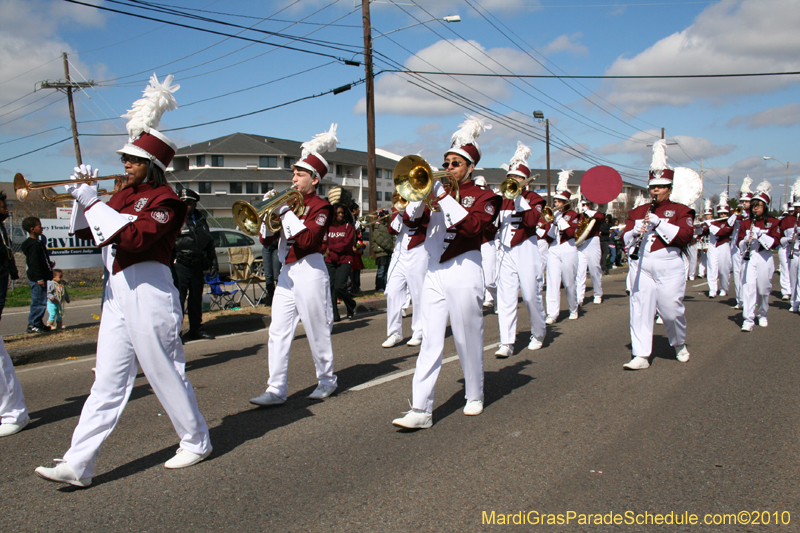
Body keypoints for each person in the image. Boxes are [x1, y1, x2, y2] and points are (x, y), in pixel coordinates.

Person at [35, 74, 212, 488]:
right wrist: (84, 200)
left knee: (164, 370)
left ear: (151, 165)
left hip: (149, 287)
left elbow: (133, 238)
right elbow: (86, 231)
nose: (124, 165)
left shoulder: (168, 201)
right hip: (116, 291)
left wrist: (93, 202)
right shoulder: (120, 197)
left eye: (131, 160)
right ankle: (79, 464)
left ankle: (196, 438)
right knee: (107, 382)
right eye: (124, 159)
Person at [392, 116, 501, 429]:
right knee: (429, 341)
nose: (449, 167)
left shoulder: (485, 196)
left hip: (464, 269)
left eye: (455, 163)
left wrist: (442, 197)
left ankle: (475, 393)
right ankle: (420, 409)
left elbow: (473, 227)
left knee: (468, 337)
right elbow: (411, 225)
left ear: (469, 167)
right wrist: (418, 198)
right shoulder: (435, 193)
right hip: (434, 271)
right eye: (446, 162)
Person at [249, 124, 338, 406]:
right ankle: (276, 388)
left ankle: (327, 380)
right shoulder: (288, 203)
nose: (293, 179)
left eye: (299, 174)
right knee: (278, 330)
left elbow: (308, 239)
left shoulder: (321, 206)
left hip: (310, 269)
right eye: (293, 174)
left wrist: (285, 211)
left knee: (316, 328)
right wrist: (267, 215)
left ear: (314, 179)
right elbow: (265, 239)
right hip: (287, 271)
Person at [622, 140, 694, 370]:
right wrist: (634, 231)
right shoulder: (638, 211)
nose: (656, 190)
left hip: (669, 264)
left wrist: (660, 223)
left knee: (671, 309)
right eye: (653, 186)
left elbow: (685, 236)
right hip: (641, 264)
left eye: (661, 186)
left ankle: (679, 343)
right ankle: (640, 354)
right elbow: (624, 240)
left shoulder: (682, 210)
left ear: (669, 188)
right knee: (640, 308)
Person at [493, 142, 546, 358]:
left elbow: (533, 219)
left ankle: (539, 332)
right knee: (505, 297)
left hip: (526, 249)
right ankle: (507, 341)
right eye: (510, 178)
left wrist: (519, 199)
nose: (513, 182)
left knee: (531, 296)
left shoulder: (534, 199)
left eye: (517, 179)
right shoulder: (501, 200)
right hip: (505, 252)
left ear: (525, 181)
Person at [384, 196, 429, 348]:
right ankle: (394, 333)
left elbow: (420, 222)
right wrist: (400, 212)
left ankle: (419, 331)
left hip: (419, 250)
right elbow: (392, 230)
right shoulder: (400, 205)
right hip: (399, 252)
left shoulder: (428, 204)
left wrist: (411, 209)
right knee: (392, 292)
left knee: (418, 294)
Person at [737, 180, 782, 331]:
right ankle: (748, 319)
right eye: (754, 205)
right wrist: (745, 239)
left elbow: (775, 242)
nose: (755, 208)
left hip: (765, 257)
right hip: (750, 257)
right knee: (748, 288)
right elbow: (739, 243)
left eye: (759, 205)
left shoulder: (773, 222)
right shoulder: (745, 223)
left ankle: (762, 314)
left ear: (765, 207)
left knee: (763, 289)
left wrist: (760, 235)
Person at [174, 188, 217, 341]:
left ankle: (196, 329)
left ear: (195, 204)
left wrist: (213, 263)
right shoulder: (175, 219)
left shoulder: (201, 220)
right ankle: (176, 332)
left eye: (189, 203)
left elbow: (209, 243)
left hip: (198, 264)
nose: (186, 206)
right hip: (181, 263)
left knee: (195, 299)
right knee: (178, 299)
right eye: (183, 203)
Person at [543, 170, 579, 324]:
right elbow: (548, 236)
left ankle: (573, 308)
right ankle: (552, 313)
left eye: (559, 201)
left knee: (569, 282)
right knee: (552, 281)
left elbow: (570, 233)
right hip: (554, 249)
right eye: (555, 200)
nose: (556, 203)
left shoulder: (574, 215)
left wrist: (560, 219)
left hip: (568, 248)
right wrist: (545, 225)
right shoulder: (553, 215)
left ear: (565, 203)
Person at [324, 202, 357, 322]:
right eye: (338, 213)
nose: (341, 215)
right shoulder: (328, 227)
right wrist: (328, 249)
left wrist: (331, 248)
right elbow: (325, 242)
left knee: (340, 287)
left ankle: (351, 305)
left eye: (342, 212)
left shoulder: (348, 227)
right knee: (331, 288)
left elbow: (346, 244)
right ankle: (334, 314)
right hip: (330, 260)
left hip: (345, 259)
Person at [21, 216, 53, 333]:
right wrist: (39, 278)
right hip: (37, 279)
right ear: (32, 229)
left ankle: (38, 323)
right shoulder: (33, 245)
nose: (42, 228)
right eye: (39, 227)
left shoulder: (38, 243)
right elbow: (34, 263)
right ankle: (33, 324)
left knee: (41, 301)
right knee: (39, 301)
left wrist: (49, 266)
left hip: (42, 276)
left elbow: (41, 260)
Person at [474, 176, 498, 311]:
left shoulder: (491, 204)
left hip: (488, 243)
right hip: (475, 245)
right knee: (476, 279)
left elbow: (493, 225)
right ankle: (478, 305)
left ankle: (498, 300)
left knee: (489, 280)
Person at [575, 199, 606, 305]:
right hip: (580, 244)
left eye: (587, 204)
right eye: (583, 204)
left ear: (591, 205)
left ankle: (598, 293)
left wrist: (590, 212)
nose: (585, 206)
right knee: (580, 271)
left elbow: (601, 218)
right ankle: (579, 296)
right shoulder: (578, 215)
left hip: (592, 241)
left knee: (594, 269)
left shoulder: (595, 215)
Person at [704, 194, 733, 298]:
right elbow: (703, 232)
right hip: (712, 246)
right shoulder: (714, 222)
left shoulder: (729, 223)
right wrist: (704, 226)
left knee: (724, 269)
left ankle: (724, 288)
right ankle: (712, 290)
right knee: (712, 268)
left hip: (723, 246)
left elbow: (722, 232)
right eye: (721, 213)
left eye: (725, 213)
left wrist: (710, 225)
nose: (723, 215)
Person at [730, 177, 752, 309]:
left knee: (747, 274)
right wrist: (737, 213)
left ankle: (748, 299)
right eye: (742, 201)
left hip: (748, 246)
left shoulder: (753, 215)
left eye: (746, 201)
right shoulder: (738, 213)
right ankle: (739, 300)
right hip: (735, 247)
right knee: (737, 273)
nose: (743, 203)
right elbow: (730, 223)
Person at [781, 182, 800, 313]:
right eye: (796, 207)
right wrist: (789, 239)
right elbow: (780, 239)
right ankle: (793, 302)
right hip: (794, 251)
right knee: (793, 277)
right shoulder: (788, 220)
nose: (798, 209)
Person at [0, 192, 19, 320]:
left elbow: (7, 250)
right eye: (3, 207)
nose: (7, 209)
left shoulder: (2, 228)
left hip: (3, 272)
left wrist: (12, 270)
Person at [370, 211, 394, 292]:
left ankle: (386, 285)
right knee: (381, 270)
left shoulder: (387, 225)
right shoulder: (377, 227)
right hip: (381, 252)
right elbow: (381, 240)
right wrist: (390, 248)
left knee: (387, 270)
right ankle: (379, 286)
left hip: (387, 252)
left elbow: (391, 237)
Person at [261, 240, 281, 306]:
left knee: (277, 276)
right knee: (268, 276)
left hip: (276, 248)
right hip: (266, 247)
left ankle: (279, 298)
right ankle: (270, 299)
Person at [349, 204, 363, 294]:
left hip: (356, 248)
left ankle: (356, 287)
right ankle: (351, 288)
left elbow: (358, 236)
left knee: (357, 269)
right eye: (358, 209)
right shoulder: (350, 220)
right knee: (351, 271)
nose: (359, 211)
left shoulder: (355, 220)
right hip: (351, 248)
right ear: (353, 210)